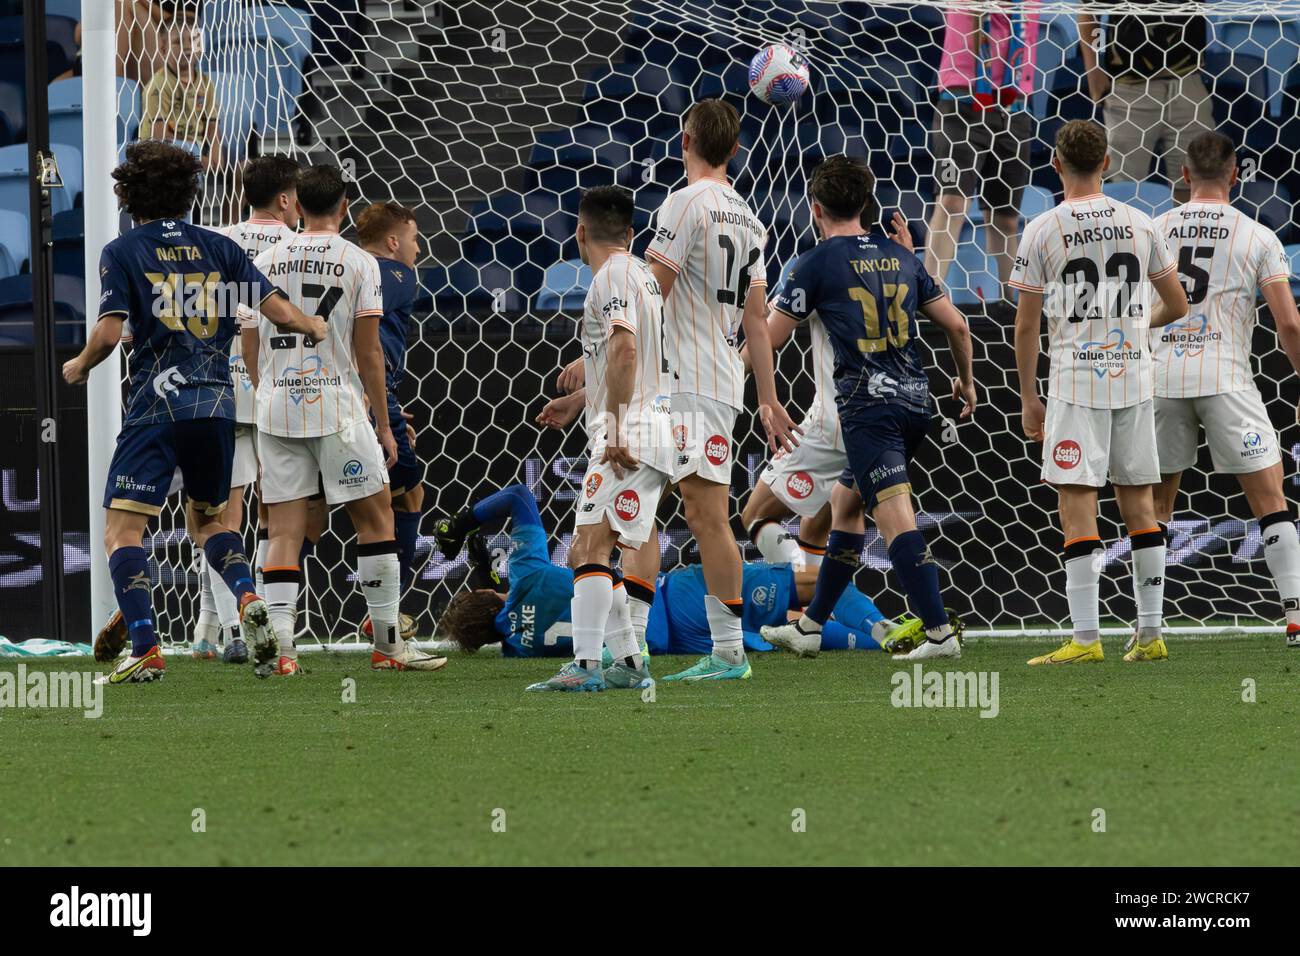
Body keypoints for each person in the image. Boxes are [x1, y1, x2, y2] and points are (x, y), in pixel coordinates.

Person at [63, 140, 327, 683]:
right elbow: (278, 310)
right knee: (210, 523)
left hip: (155, 409)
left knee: (122, 533)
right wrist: (312, 325)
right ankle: (247, 594)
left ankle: (145, 646)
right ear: (189, 194)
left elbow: (111, 332)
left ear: (128, 196)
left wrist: (81, 363)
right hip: (216, 408)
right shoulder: (219, 246)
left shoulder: (123, 250)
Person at [760, 155, 977, 661]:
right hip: (916, 402)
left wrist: (739, 357)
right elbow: (960, 327)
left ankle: (941, 634)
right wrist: (966, 384)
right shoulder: (903, 256)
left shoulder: (813, 262)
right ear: (866, 203)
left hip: (866, 410)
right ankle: (811, 627)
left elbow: (768, 340)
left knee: (896, 519)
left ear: (816, 208)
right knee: (845, 505)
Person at [243, 165, 446, 676]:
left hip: (277, 409)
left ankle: (282, 652)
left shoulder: (264, 261)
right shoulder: (361, 264)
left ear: (299, 204)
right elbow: (370, 351)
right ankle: (388, 645)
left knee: (284, 531)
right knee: (376, 519)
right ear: (344, 207)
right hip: (338, 405)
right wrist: (382, 421)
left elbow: (249, 343)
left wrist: (268, 387)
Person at [1010, 120, 1189, 665]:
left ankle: (1087, 639)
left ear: (1057, 165)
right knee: (1139, 500)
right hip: (1134, 375)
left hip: (1074, 380)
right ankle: (1152, 633)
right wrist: (1137, 327)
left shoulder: (1043, 228)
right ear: (1107, 163)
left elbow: (1024, 326)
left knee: (1077, 503)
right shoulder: (1141, 222)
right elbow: (1178, 304)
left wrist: (1027, 397)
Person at [645, 98, 800, 682]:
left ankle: (728, 651)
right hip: (720, 383)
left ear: (685, 141)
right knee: (679, 510)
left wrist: (605, 347)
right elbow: (758, 321)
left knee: (703, 515)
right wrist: (767, 396)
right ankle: (630, 642)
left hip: (683, 380)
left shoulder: (682, 204)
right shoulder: (749, 217)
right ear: (734, 150)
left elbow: (652, 289)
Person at [433, 485, 940, 659]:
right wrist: (462, 525)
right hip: (671, 597)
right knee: (802, 584)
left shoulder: (520, 649)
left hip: (677, 644)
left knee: (785, 627)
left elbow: (519, 616)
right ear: (490, 593)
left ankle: (877, 642)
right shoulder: (523, 575)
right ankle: (887, 629)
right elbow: (520, 499)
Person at [1150, 131, 1300, 649]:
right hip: (1226, 379)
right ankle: (1297, 619)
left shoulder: (1154, 230)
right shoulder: (1258, 236)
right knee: (1271, 502)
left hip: (1162, 378)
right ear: (1236, 174)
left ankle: (1149, 628)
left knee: (1156, 509)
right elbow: (1290, 325)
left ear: (1185, 174)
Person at [180, 154, 308, 665]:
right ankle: (240, 630)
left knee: (218, 514)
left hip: (214, 387)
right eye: (296, 197)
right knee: (273, 517)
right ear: (284, 200)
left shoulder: (212, 239)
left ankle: (211, 627)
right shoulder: (298, 248)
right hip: (284, 392)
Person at [925, 6, 1042, 298]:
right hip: (961, 99)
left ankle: (1009, 303)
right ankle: (928, 298)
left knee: (1005, 218)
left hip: (1013, 103)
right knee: (952, 203)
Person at [355, 201, 424, 641]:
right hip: (365, 397)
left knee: (301, 516)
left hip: (321, 392)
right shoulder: (395, 275)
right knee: (406, 495)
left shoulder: (345, 267)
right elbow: (369, 337)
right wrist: (380, 407)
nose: (418, 250)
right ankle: (385, 619)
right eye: (415, 239)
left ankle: (269, 615)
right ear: (394, 241)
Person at [1077, 8, 1212, 203]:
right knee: (1122, 188)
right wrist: (1093, 72)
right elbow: (1088, 9)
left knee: (1196, 183)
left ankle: (1184, 231)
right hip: (1130, 89)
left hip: (1189, 82)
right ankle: (1127, 233)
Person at [139, 20, 221, 171]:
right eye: (178, 41)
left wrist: (216, 152)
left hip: (196, 149)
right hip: (163, 156)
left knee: (242, 169)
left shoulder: (206, 83)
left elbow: (212, 127)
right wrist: (196, 157)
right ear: (164, 50)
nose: (188, 46)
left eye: (193, 40)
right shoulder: (158, 85)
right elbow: (159, 136)